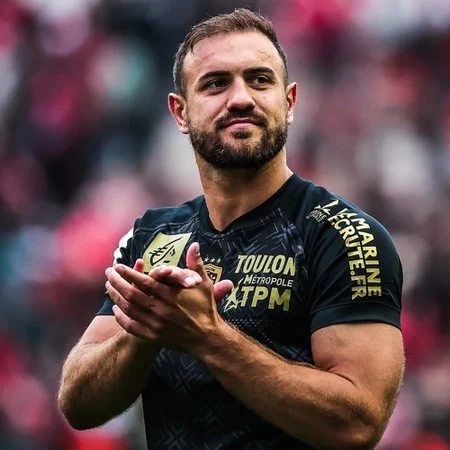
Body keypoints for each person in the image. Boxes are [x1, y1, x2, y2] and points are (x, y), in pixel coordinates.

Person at [58, 8, 404, 450]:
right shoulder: (153, 237)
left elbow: (358, 424)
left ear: (289, 102)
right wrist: (144, 333)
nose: (241, 99)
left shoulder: (345, 236)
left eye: (259, 80)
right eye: (216, 83)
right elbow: (78, 404)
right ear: (180, 112)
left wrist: (208, 337)